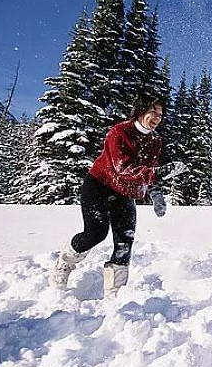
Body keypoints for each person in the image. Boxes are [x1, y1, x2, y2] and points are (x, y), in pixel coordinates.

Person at [49, 94, 187, 298]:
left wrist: (155, 193)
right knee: (96, 233)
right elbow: (123, 168)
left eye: (160, 114)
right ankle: (64, 263)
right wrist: (160, 173)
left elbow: (147, 172)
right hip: (99, 186)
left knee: (125, 241)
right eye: (153, 112)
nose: (157, 118)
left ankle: (115, 294)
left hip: (125, 193)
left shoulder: (155, 141)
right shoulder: (120, 132)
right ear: (140, 111)